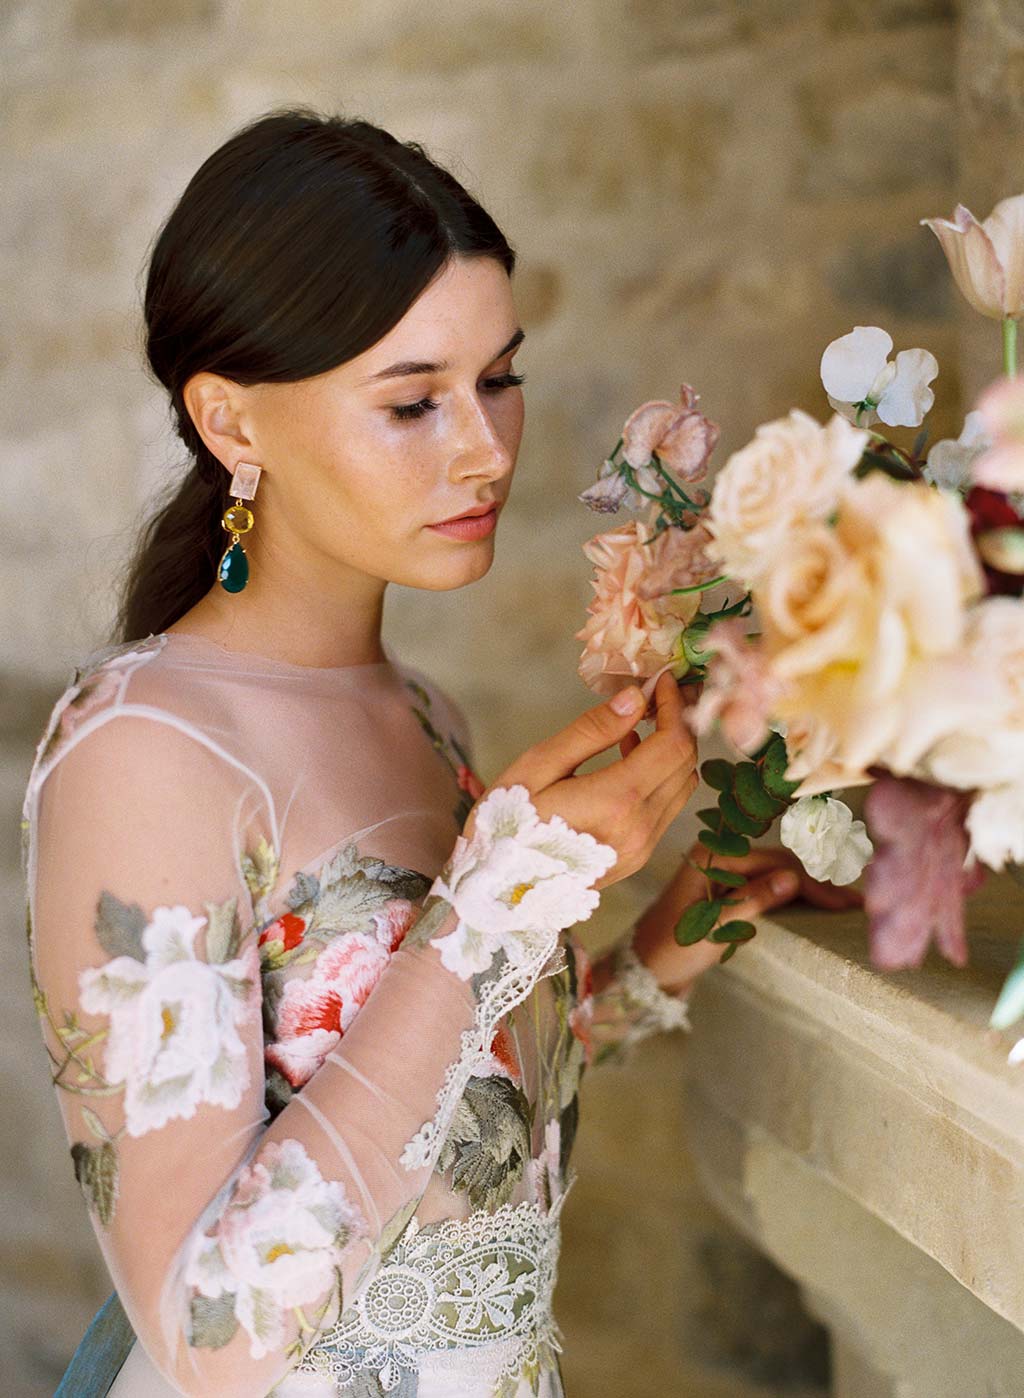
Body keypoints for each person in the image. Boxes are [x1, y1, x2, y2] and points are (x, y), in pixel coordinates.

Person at [22, 107, 857, 1398]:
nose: (485, 448)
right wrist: (498, 903)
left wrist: (678, 924)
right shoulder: (144, 751)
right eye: (414, 400)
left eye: (499, 378)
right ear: (231, 422)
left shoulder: (427, 715)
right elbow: (212, 1327)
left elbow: (453, 1111)